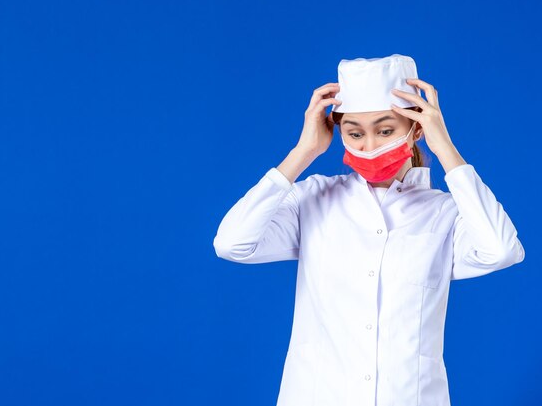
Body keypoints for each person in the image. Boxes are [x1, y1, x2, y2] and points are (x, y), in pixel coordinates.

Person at [212, 54, 526, 406]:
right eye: (355, 133)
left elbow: (502, 250)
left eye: (386, 130)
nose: (370, 145)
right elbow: (232, 243)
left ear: (416, 128)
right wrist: (303, 151)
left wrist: (446, 149)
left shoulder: (445, 212)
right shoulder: (313, 199)